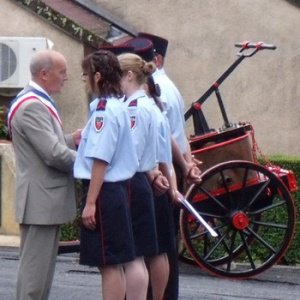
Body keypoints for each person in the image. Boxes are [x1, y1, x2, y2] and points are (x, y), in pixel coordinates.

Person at [7, 49, 81, 300]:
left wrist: (73, 139)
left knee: (40, 274)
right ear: (44, 74)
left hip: (42, 200)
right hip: (41, 200)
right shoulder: (32, 107)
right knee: (34, 277)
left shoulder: (35, 101)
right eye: (62, 72)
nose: (66, 77)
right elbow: (52, 154)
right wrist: (91, 164)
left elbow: (52, 145)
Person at [74, 50, 147, 300]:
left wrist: (91, 202)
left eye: (85, 75)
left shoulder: (105, 110)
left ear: (97, 76)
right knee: (112, 261)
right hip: (114, 191)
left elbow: (101, 158)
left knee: (109, 263)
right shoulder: (116, 106)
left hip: (104, 191)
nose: (84, 81)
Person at [137, 32, 202, 300]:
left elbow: (167, 140)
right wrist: (186, 164)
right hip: (168, 171)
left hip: (159, 175)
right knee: (163, 248)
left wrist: (181, 168)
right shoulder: (162, 88)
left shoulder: (151, 94)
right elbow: (177, 136)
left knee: (154, 248)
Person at [118, 52, 169, 299]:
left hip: (132, 180)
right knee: (141, 253)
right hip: (143, 177)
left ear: (128, 75)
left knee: (134, 256)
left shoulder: (135, 108)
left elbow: (133, 151)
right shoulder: (146, 104)